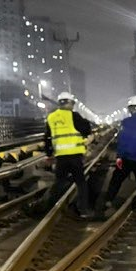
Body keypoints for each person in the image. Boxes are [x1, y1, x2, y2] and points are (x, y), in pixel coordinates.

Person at [43, 91, 96, 219]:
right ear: (71, 103)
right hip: (75, 156)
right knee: (81, 183)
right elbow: (87, 129)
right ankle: (83, 210)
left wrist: (49, 153)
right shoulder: (75, 116)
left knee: (59, 182)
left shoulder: (51, 117)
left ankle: (47, 208)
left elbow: (47, 138)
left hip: (60, 156)